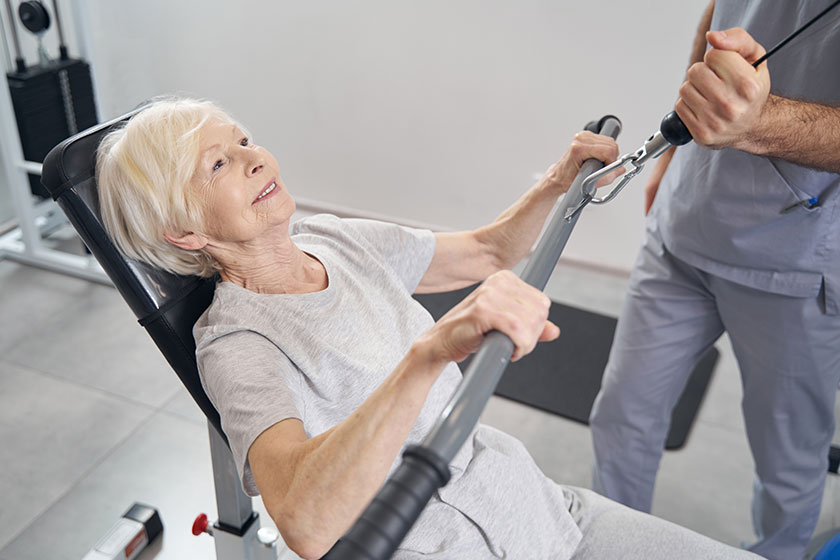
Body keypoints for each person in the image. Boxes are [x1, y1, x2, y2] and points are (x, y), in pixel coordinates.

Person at [95, 96, 759, 559]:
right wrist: (430, 351)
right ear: (184, 230)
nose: (254, 157)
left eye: (242, 140)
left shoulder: (331, 240)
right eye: (219, 164)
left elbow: (485, 254)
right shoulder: (238, 346)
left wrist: (556, 184)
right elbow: (304, 521)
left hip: (538, 511)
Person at [589, 2, 840, 559]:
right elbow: (721, 16)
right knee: (622, 416)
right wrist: (667, 156)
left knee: (788, 463)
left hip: (792, 265)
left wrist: (759, 121)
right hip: (682, 233)